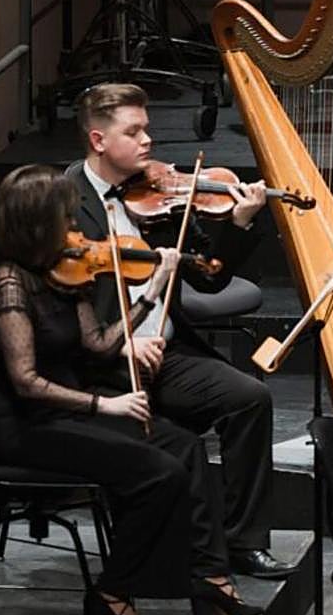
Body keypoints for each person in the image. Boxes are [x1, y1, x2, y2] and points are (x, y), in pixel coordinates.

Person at [0, 166, 262, 615]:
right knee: (159, 473)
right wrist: (104, 405)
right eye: (65, 221)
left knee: (184, 446)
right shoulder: (9, 288)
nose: (75, 231)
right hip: (30, 428)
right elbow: (26, 382)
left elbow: (97, 343)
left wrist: (150, 295)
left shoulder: (62, 271)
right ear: (35, 224)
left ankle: (210, 584)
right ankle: (113, 592)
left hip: (70, 413)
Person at [67, 83, 294, 580]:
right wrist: (121, 341)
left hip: (166, 352)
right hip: (102, 360)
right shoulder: (65, 200)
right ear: (99, 140)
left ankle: (243, 542)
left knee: (249, 397)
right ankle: (168, 553)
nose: (148, 140)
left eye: (146, 128)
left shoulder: (161, 195)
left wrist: (238, 221)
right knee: (167, 442)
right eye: (135, 131)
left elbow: (209, 275)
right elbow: (60, 298)